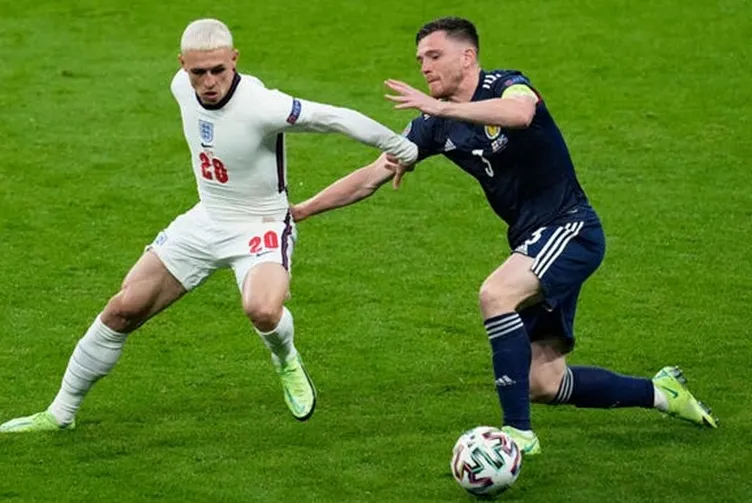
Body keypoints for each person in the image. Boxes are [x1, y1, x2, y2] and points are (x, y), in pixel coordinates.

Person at [290, 17, 717, 454]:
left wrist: (444, 108)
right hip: (531, 241)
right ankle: (662, 393)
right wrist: (300, 211)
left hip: (570, 227)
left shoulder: (506, 84)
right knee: (544, 383)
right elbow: (371, 175)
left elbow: (521, 113)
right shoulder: (436, 125)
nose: (425, 68)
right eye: (420, 60)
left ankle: (517, 433)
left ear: (467, 57)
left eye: (434, 56)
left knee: (495, 294)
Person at [0, 18, 418, 432]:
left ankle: (285, 357)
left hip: (261, 225)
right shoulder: (181, 88)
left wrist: (400, 147)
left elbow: (336, 118)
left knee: (263, 309)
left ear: (235, 59)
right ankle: (60, 414)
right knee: (122, 309)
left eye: (220, 69)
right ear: (182, 65)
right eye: (199, 72)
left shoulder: (261, 104)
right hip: (206, 219)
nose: (210, 81)